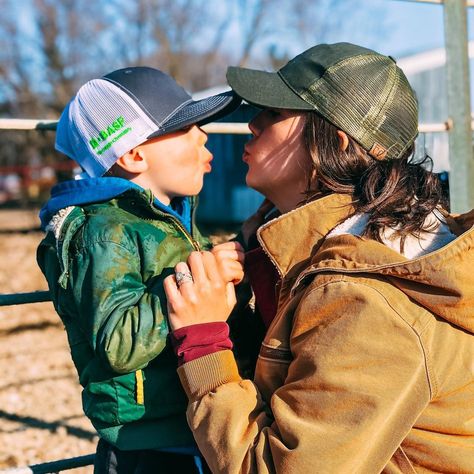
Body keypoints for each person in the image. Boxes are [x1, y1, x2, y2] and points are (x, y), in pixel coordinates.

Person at [164, 42, 474, 472]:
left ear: (334, 142)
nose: (252, 123)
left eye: (275, 113)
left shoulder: (366, 301)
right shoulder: (346, 252)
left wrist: (203, 342)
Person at [36, 66, 243, 473]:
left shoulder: (164, 217)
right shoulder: (103, 233)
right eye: (185, 129)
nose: (203, 135)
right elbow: (117, 343)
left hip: (187, 427)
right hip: (147, 446)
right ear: (133, 154)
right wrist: (195, 280)